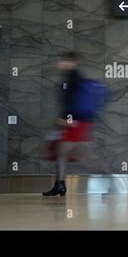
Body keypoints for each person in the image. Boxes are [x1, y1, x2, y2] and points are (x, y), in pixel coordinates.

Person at [43, 52, 94, 196]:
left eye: (61, 60)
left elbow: (74, 103)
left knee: (84, 156)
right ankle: (60, 184)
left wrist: (68, 121)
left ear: (69, 62)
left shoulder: (75, 78)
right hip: (75, 122)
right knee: (62, 152)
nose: (59, 63)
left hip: (75, 122)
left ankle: (110, 179)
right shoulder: (72, 77)